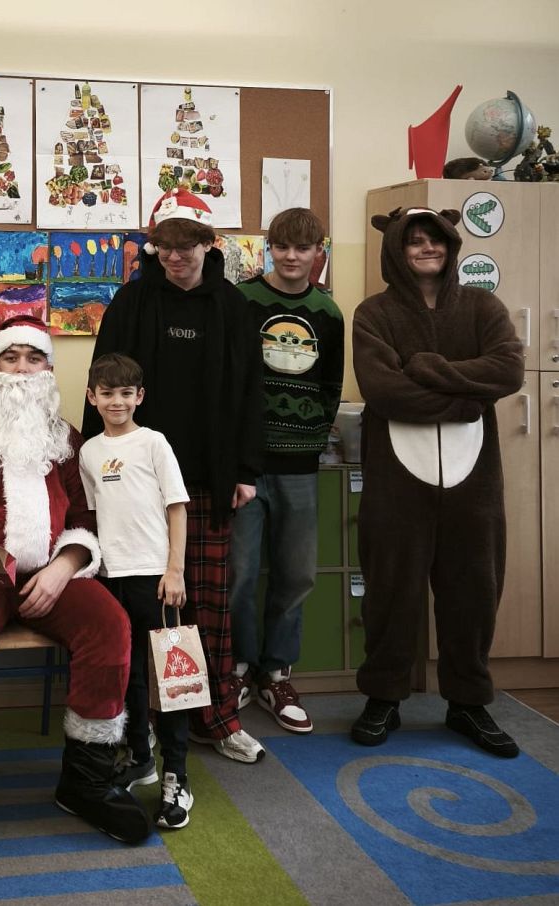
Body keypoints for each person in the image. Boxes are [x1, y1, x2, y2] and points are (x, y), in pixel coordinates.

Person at [0, 315, 151, 867]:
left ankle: (85, 782)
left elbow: (85, 518)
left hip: (49, 574)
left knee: (111, 626)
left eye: (33, 358)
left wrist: (66, 565)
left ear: (49, 368)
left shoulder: (67, 438)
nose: (22, 369)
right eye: (10, 358)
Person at [84, 188, 265, 765]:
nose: (175, 257)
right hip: (134, 487)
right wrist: (95, 464)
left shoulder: (234, 307)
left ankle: (217, 718)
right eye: (165, 246)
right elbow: (101, 384)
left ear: (208, 245)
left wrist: (245, 471)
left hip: (209, 480)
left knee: (207, 607)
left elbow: (252, 393)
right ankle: (144, 724)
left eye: (186, 246)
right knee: (145, 611)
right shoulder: (131, 302)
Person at [351, 206, 523, 757]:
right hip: (397, 483)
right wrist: (465, 400)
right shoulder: (374, 314)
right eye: (414, 241)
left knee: (474, 591)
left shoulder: (482, 306)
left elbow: (508, 371)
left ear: (450, 245)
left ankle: (468, 702)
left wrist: (426, 368)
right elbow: (383, 391)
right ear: (396, 250)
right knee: (390, 592)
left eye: (436, 240)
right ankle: (384, 697)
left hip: (475, 484)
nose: (427, 249)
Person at [229, 209, 344, 734]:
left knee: (296, 575)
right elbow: (227, 379)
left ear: (318, 251)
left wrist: (312, 441)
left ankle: (276, 674)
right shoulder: (242, 301)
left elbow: (330, 387)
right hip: (246, 466)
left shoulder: (327, 312)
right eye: (282, 246)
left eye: (302, 247)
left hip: (300, 465)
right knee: (239, 574)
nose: (292, 257)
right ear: (269, 249)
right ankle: (237, 668)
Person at [79, 352, 193, 829]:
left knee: (173, 679)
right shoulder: (88, 452)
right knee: (129, 675)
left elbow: (177, 507)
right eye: (107, 393)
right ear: (92, 397)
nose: (117, 402)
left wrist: (175, 570)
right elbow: (94, 514)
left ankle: (177, 777)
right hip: (111, 577)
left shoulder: (154, 443)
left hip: (157, 576)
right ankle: (141, 759)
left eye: (126, 393)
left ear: (139, 396)